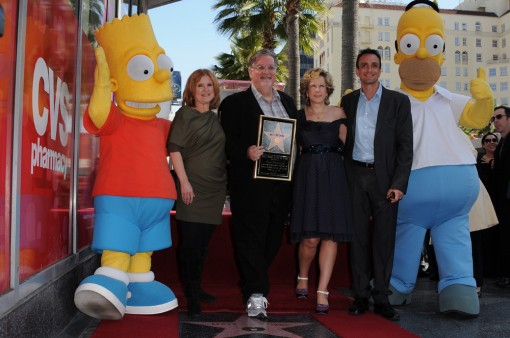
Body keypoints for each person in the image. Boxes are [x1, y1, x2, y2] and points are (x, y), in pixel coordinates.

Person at [219, 49, 298, 320]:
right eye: (261, 67)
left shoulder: (287, 102)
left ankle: (252, 281)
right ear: (250, 71)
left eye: (271, 67)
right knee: (250, 238)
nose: (266, 72)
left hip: (281, 185)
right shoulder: (234, 104)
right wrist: (245, 151)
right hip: (250, 185)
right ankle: (256, 293)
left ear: (276, 71)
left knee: (273, 238)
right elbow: (225, 141)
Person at [340, 48, 413, 321]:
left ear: (380, 70)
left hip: (386, 181)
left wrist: (399, 183)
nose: (369, 70)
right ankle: (360, 295)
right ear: (357, 71)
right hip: (355, 178)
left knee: (384, 240)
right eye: (364, 66)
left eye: (374, 65)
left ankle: (381, 297)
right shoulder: (347, 102)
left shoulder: (398, 102)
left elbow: (406, 147)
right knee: (358, 239)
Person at [290, 68, 353, 315]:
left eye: (321, 85)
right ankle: (303, 276)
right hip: (307, 177)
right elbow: (287, 149)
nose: (317, 90)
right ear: (306, 90)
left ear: (328, 89)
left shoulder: (339, 114)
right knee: (310, 239)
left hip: (334, 177)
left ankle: (322, 290)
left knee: (330, 236)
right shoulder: (297, 116)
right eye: (313, 85)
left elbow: (351, 149)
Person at [167, 69, 227, 317]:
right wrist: (184, 183)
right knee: (190, 246)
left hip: (215, 189)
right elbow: (174, 149)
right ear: (191, 90)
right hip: (191, 189)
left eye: (209, 85)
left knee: (202, 246)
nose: (205, 90)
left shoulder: (216, 118)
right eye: (200, 85)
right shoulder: (184, 115)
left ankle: (197, 286)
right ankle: (191, 295)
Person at [476, 133, 499, 280]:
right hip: (484, 203)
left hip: (499, 202)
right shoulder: (478, 162)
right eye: (488, 140)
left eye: (494, 140)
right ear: (483, 145)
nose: (491, 142)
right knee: (485, 237)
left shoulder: (502, 159)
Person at [491, 106, 510, 288]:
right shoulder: (500, 144)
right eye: (493, 118)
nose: (496, 121)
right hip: (502, 199)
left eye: (499, 117)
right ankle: (504, 273)